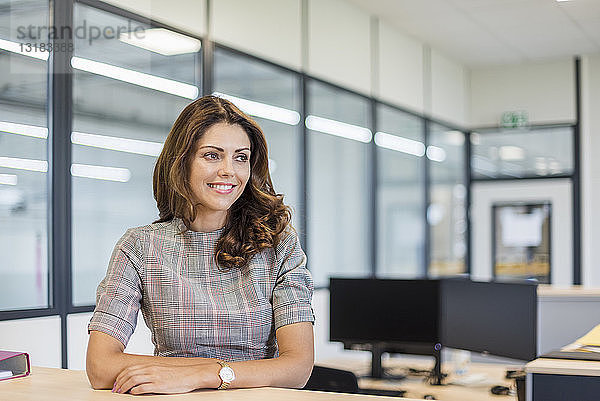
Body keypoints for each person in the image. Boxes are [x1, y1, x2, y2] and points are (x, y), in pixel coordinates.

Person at [85, 95, 315, 395]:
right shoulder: (140, 247)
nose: (229, 171)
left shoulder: (278, 244)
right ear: (182, 161)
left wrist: (205, 375)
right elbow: (100, 367)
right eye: (212, 155)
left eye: (241, 157)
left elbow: (297, 368)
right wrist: (229, 370)